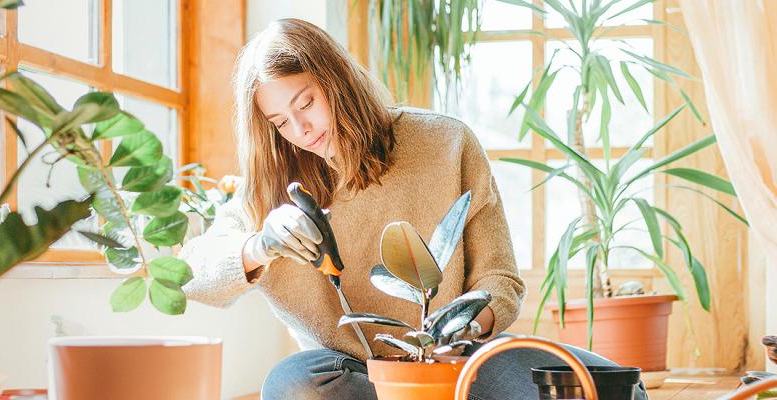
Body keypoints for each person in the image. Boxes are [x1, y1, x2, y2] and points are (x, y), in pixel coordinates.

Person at [180, 18, 647, 400]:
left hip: (458, 362)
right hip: (351, 375)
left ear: (337, 81)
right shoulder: (270, 189)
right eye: (281, 122)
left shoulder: (446, 143)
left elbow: (499, 279)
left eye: (307, 102)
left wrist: (462, 330)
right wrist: (258, 246)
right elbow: (192, 272)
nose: (300, 129)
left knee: (613, 390)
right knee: (294, 386)